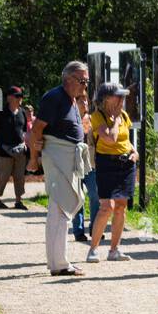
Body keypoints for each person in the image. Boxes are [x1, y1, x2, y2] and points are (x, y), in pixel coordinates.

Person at [28, 62, 91, 277]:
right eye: (83, 81)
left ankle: (59, 262)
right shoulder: (54, 97)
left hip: (67, 158)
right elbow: (36, 129)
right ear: (69, 79)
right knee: (60, 209)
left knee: (60, 210)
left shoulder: (72, 100)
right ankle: (60, 264)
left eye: (87, 81)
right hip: (58, 158)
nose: (85, 85)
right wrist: (34, 159)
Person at [85, 83, 139, 263]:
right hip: (106, 163)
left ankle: (114, 250)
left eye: (123, 96)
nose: (122, 100)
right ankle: (93, 249)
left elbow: (125, 139)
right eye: (118, 96)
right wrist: (115, 120)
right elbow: (110, 138)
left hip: (126, 165)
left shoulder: (124, 115)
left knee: (121, 207)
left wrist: (134, 151)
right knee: (107, 206)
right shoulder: (97, 117)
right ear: (106, 99)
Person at [0, 86, 29, 209]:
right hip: (4, 150)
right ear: (9, 97)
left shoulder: (22, 112)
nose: (20, 98)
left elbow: (24, 130)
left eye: (20, 96)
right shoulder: (0, 112)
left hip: (20, 150)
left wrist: (23, 144)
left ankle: (18, 201)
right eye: (17, 96)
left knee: (20, 176)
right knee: (3, 176)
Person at [69, 91, 99, 242]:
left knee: (95, 196)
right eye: (81, 101)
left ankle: (95, 228)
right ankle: (78, 231)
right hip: (74, 165)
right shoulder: (70, 120)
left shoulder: (92, 120)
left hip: (91, 164)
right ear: (75, 102)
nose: (85, 103)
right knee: (77, 198)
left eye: (86, 101)